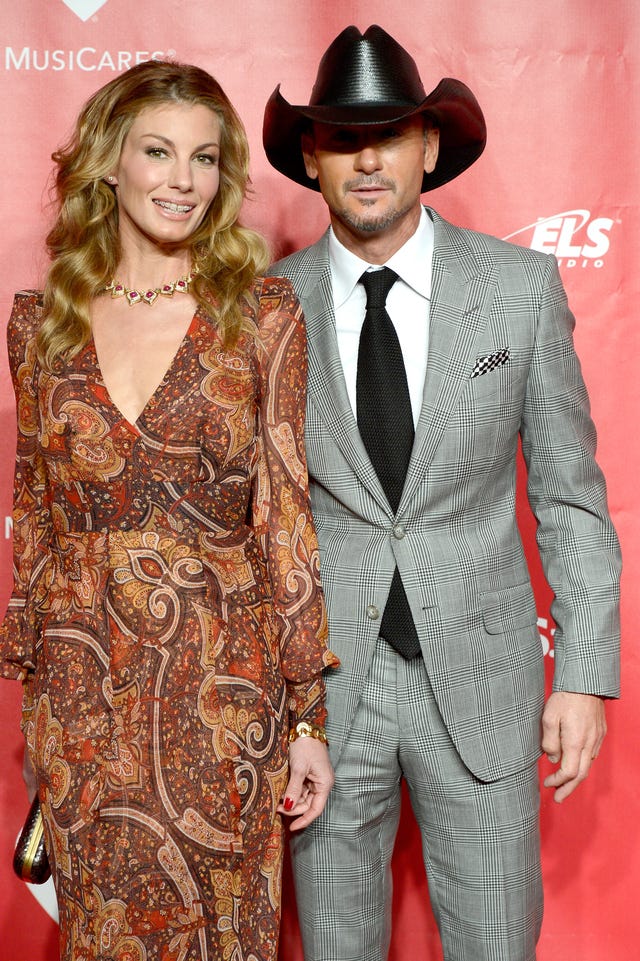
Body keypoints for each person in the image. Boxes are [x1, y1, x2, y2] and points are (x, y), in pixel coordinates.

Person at [262, 24, 621, 961]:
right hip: (325, 697)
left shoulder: (519, 290)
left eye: (389, 134)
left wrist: (583, 672)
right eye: (343, 138)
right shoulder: (265, 308)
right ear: (311, 157)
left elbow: (572, 497)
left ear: (428, 147)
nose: (367, 159)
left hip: (485, 677)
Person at [0, 59, 338, 961]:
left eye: (205, 158)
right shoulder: (40, 326)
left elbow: (285, 518)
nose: (183, 180)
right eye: (158, 152)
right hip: (81, 697)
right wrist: (38, 695)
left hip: (221, 695)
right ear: (110, 163)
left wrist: (308, 717)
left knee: (224, 935)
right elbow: (36, 516)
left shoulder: (261, 316)